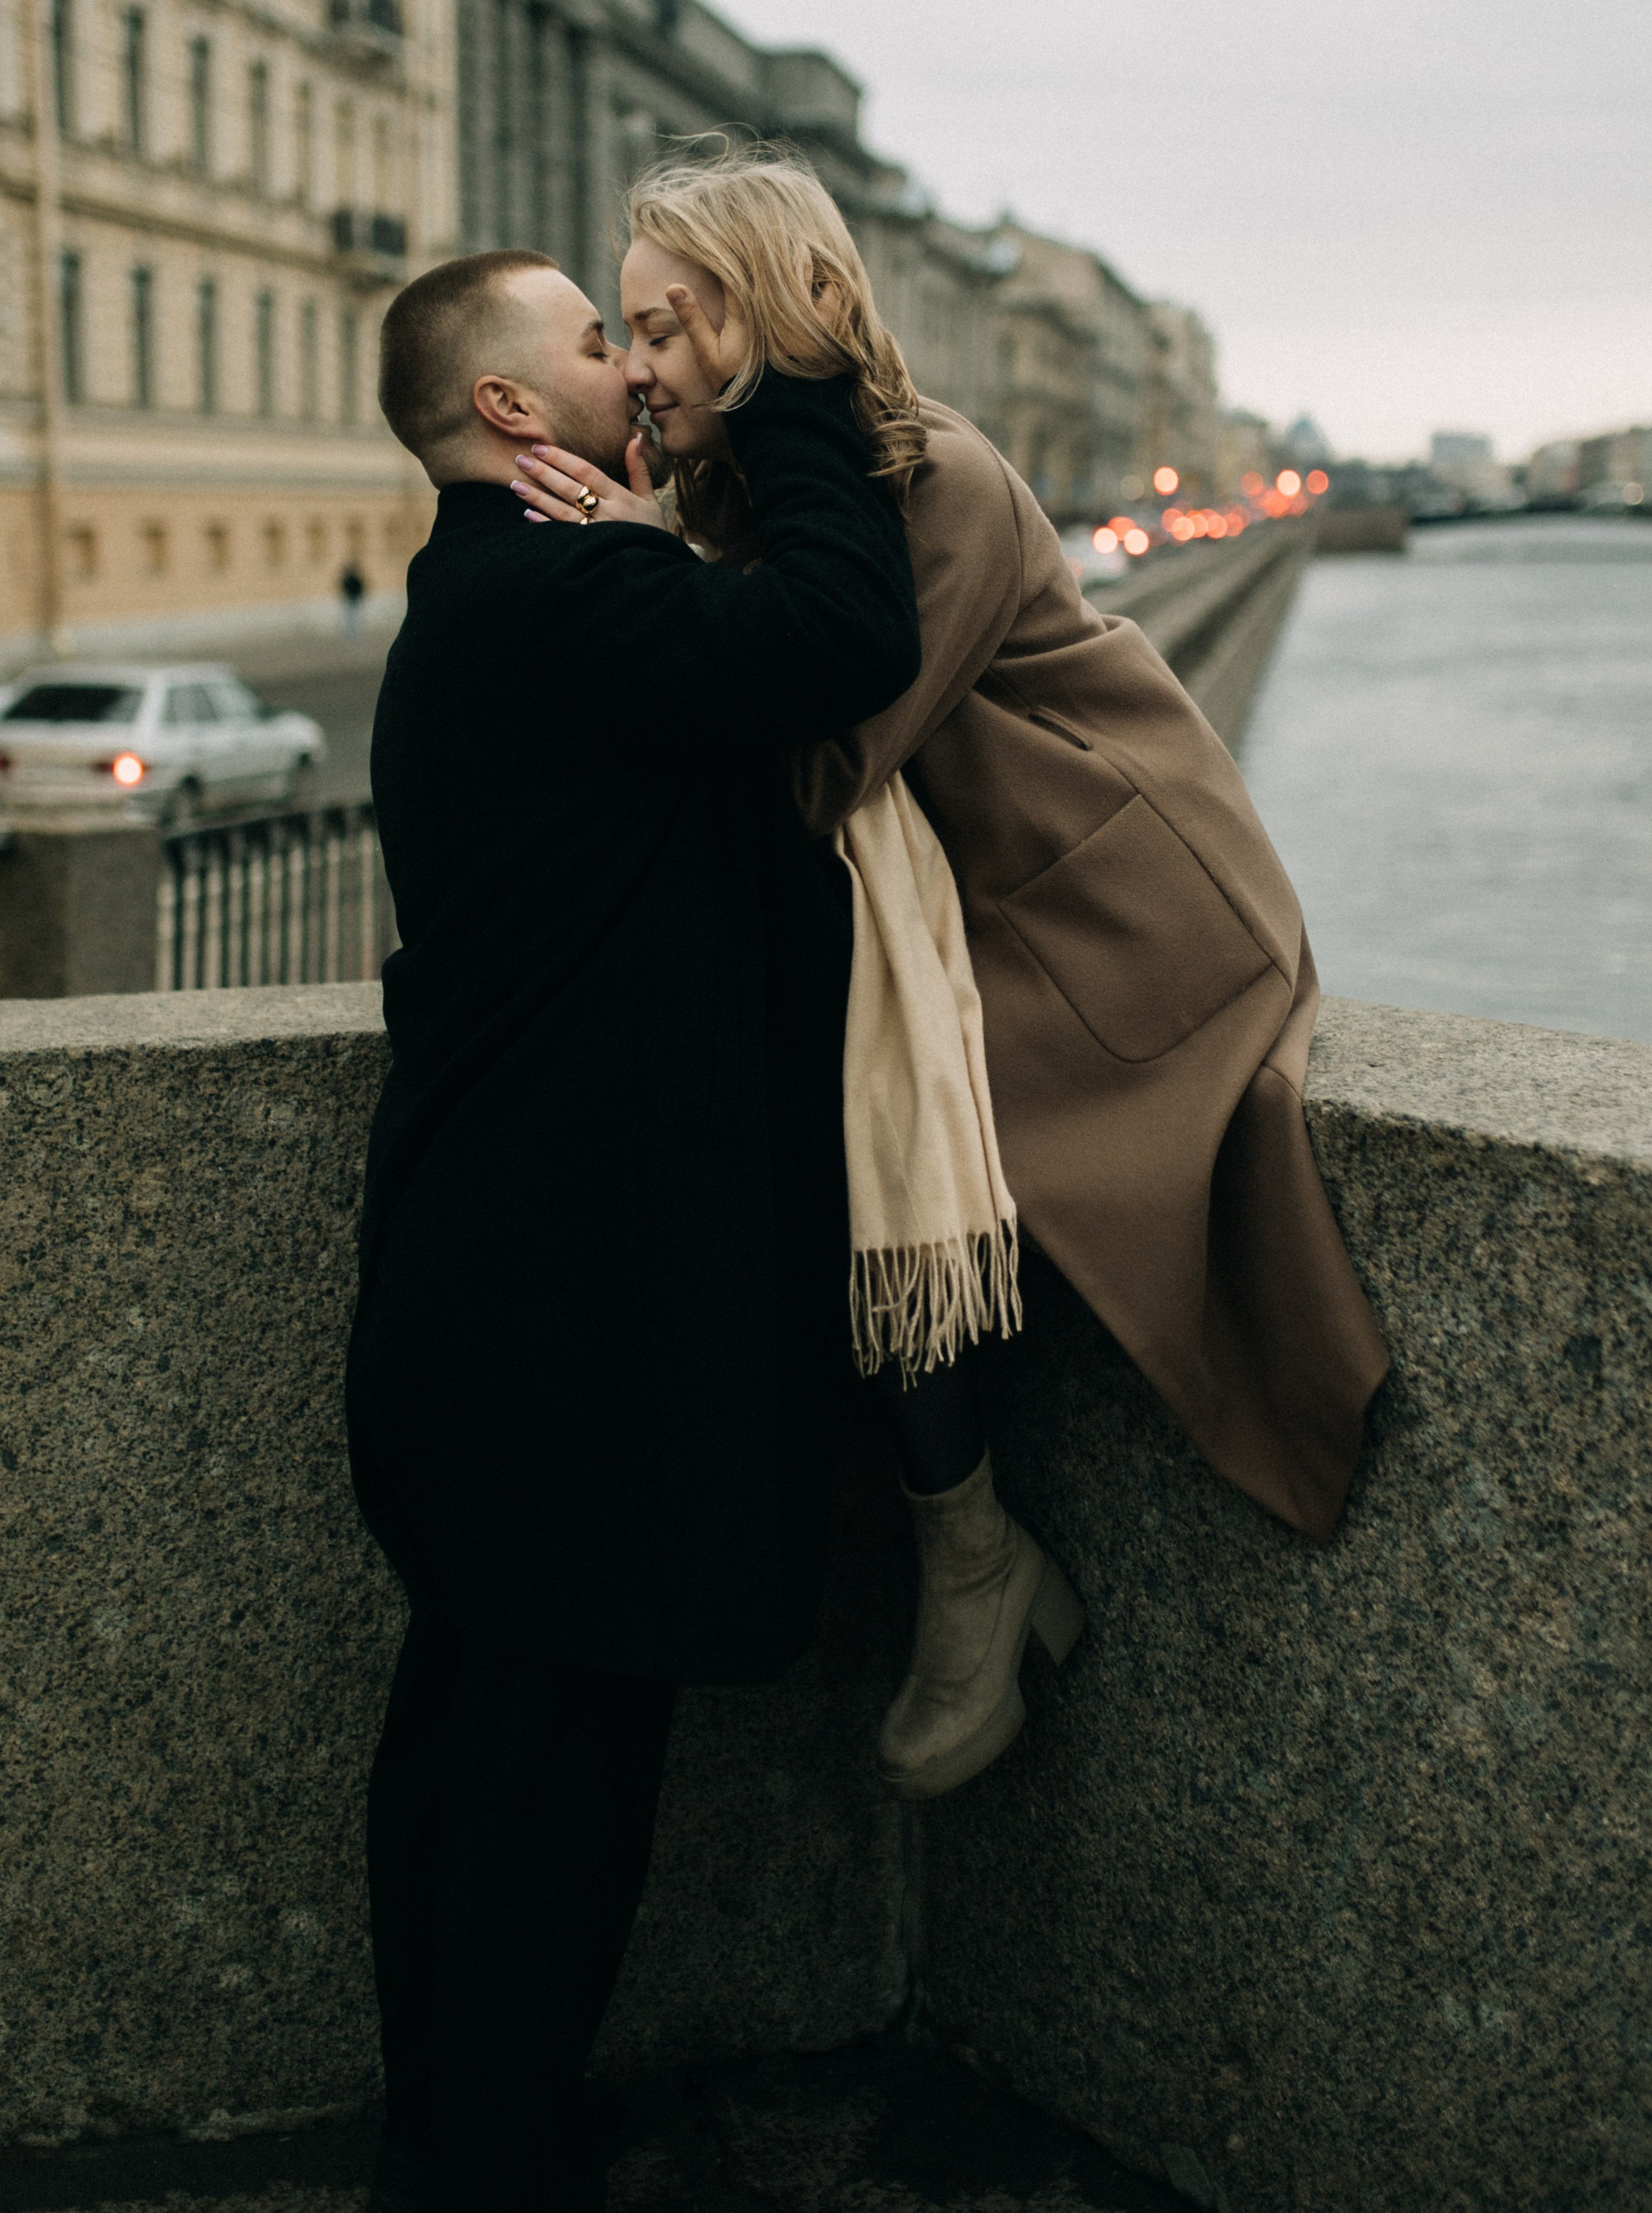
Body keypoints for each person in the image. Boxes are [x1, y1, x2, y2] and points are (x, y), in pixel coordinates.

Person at [517, 147, 1392, 1807]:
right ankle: (963, 1552)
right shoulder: (753, 488)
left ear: (759, 313)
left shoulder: (938, 479)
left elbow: (822, 750)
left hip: (1110, 907)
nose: (632, 367)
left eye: (663, 325)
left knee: (867, 1153)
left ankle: (973, 1559)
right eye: (623, 331)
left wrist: (649, 570)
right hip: (978, 896)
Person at [349, 245, 919, 2212]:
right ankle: (487, 2166)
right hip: (557, 1299)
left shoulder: (492, 589)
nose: (637, 366)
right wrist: (797, 385)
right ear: (511, 409)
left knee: (477, 1727)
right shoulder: (554, 589)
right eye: (603, 341)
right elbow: (843, 628)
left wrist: (666, 539)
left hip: (485, 1271)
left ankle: (455, 2125)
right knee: (549, 1758)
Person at [339, 556, 368, 639]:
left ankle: (353, 633)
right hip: (351, 599)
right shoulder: (350, 578)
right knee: (351, 617)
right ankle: (351, 633)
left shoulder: (352, 578)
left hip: (353, 599)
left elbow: (360, 587)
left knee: (352, 617)